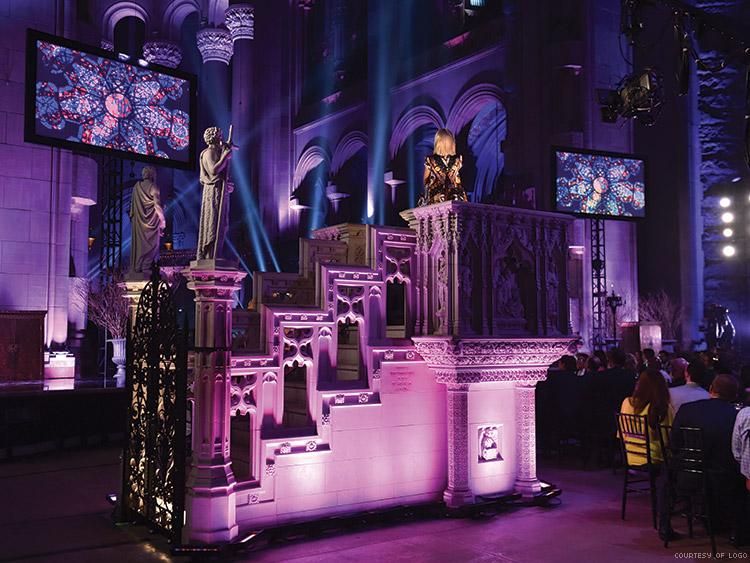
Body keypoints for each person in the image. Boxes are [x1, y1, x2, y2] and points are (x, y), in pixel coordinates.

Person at [664, 375, 742, 540]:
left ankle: (665, 526)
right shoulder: (736, 416)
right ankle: (737, 529)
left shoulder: (687, 409)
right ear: (735, 395)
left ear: (711, 389)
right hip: (721, 478)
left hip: (686, 475)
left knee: (666, 474)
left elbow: (674, 443)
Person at [619, 368, 673, 465]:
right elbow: (667, 439)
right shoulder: (659, 407)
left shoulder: (626, 402)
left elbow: (621, 434)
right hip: (654, 459)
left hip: (630, 456)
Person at [197, 126, 234, 261]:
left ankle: (216, 254)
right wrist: (225, 156)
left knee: (222, 224)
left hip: (219, 191)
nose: (221, 140)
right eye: (219, 136)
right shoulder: (209, 152)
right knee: (213, 222)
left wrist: (227, 185)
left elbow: (220, 175)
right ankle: (210, 254)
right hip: (213, 193)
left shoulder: (215, 152)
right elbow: (213, 170)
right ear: (214, 138)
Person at [129, 166, 165, 273]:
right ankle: (146, 266)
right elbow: (157, 206)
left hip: (139, 223)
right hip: (152, 224)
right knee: (153, 245)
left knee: (139, 245)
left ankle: (138, 266)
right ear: (152, 174)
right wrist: (163, 221)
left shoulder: (136, 187)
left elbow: (133, 208)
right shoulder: (154, 186)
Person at [419, 128, 467, 206]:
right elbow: (426, 180)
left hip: (451, 195)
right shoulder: (431, 160)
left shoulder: (457, 160)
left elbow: (425, 181)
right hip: (438, 196)